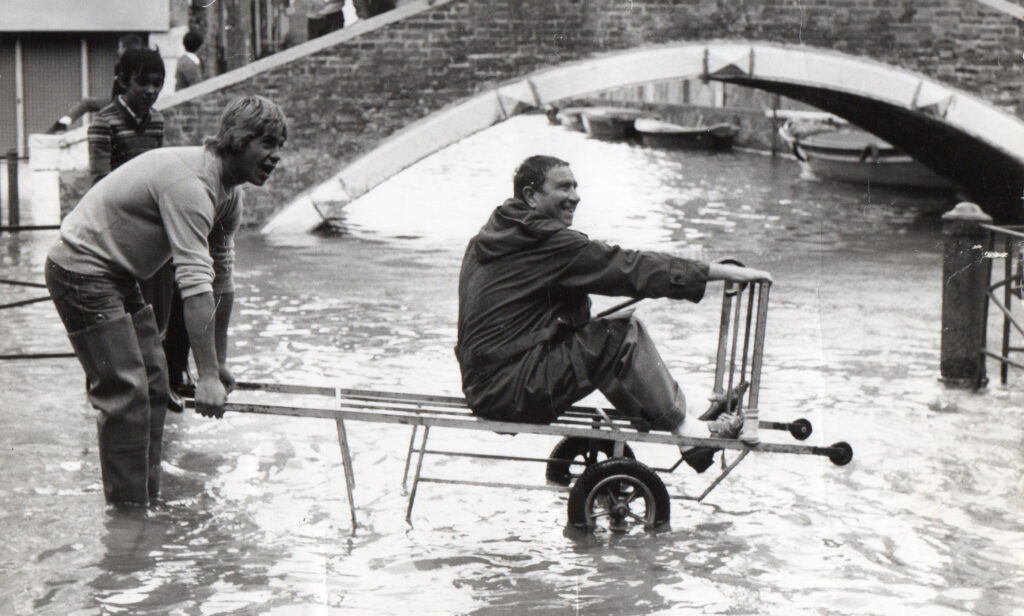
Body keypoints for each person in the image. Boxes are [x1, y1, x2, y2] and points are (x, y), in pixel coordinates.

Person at [455, 155, 772, 472]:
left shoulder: (493, 236)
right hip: (510, 391)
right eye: (563, 187)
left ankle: (681, 416)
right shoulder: (549, 243)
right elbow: (631, 267)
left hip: (485, 386)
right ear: (530, 196)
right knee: (620, 333)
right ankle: (688, 432)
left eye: (576, 187)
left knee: (605, 335)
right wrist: (715, 272)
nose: (575, 196)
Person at [44, 95, 288, 506]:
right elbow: (193, 286)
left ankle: (145, 500)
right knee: (127, 390)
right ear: (238, 140)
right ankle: (127, 517)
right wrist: (206, 377)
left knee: (156, 383)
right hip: (80, 268)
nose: (275, 156)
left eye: (280, 146)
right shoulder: (191, 185)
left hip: (118, 273)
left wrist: (219, 362)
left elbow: (221, 279)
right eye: (266, 144)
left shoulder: (227, 193)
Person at [87, 47, 166, 185]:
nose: (151, 91)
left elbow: (157, 171)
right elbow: (101, 182)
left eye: (157, 84)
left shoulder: (157, 120)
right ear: (124, 82)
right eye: (142, 82)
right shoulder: (104, 122)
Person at [48, 34, 144, 134]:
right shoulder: (141, 64)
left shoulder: (121, 66)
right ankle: (62, 124)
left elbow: (118, 91)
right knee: (87, 103)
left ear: (125, 48)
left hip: (121, 105)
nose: (118, 51)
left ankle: (61, 125)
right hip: (125, 104)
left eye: (119, 48)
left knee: (86, 103)